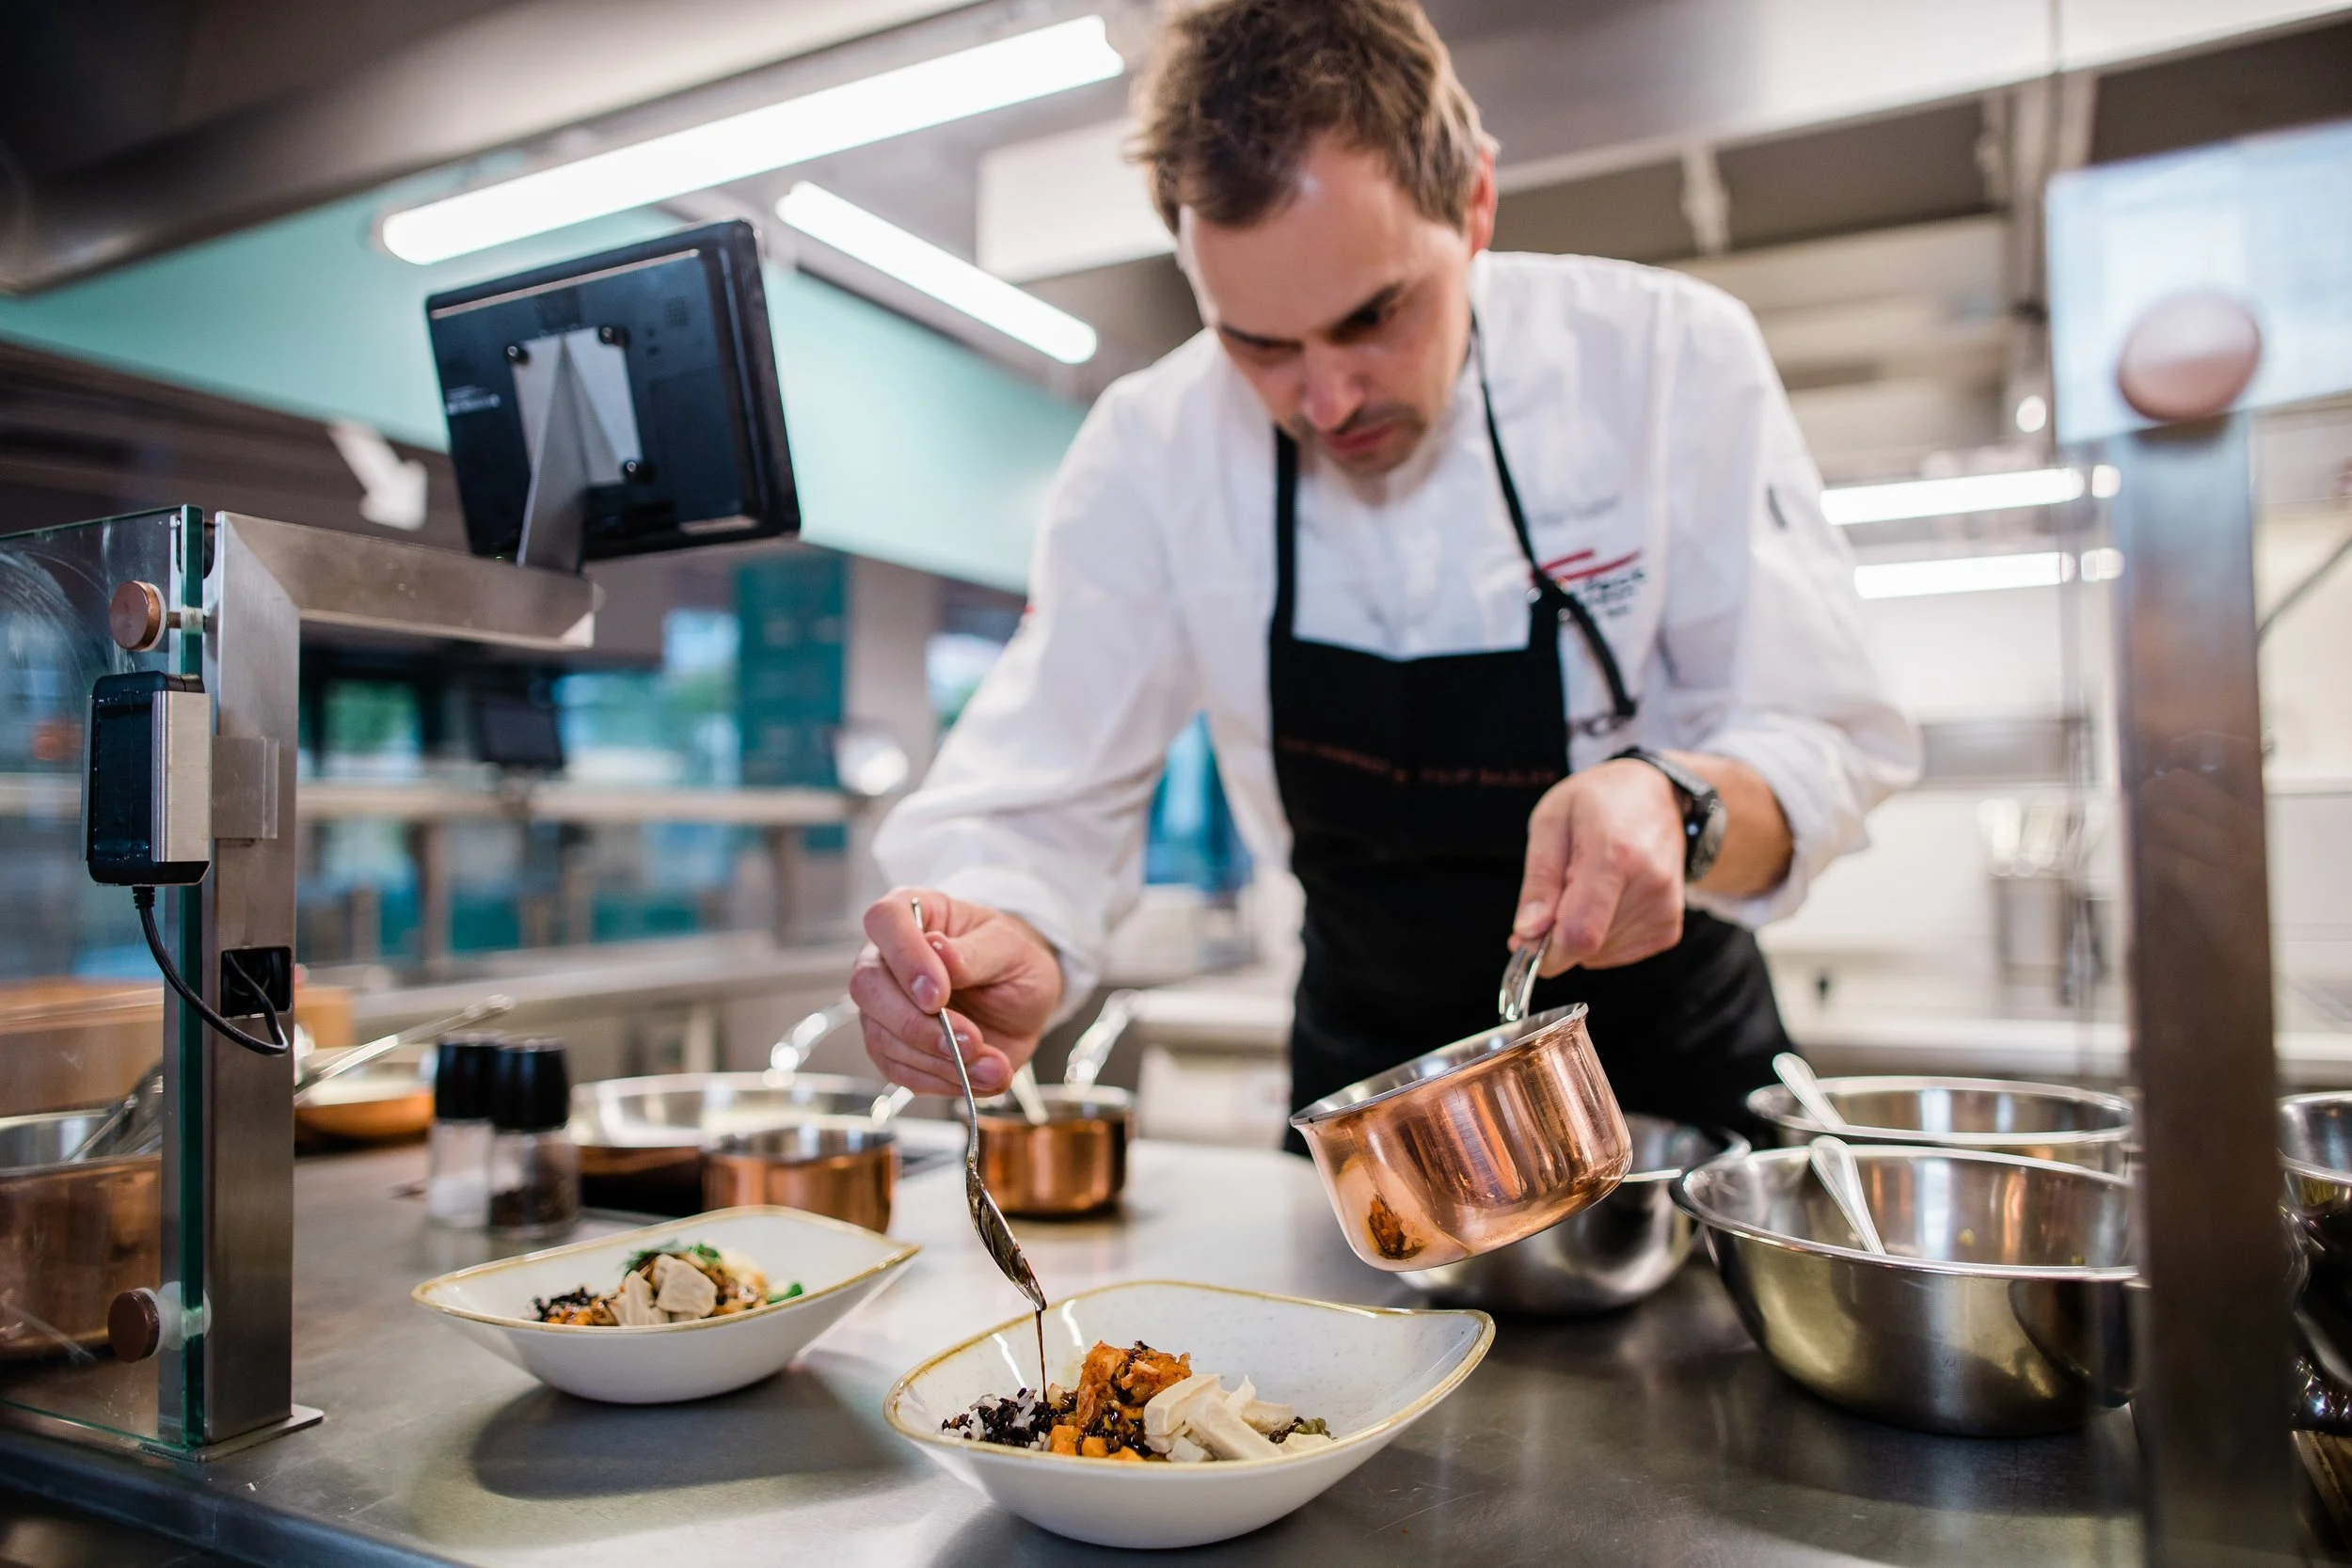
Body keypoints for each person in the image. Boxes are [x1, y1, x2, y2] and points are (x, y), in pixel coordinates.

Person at [849, 0, 1916, 1144]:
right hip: (1370, 1112)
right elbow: (1037, 790)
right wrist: (997, 931)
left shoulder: (1663, 359)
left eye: (1374, 316)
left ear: (1475, 203)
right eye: (1258, 344)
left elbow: (1824, 737)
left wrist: (1679, 801)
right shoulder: (1152, 447)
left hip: (1668, 1100)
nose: (1327, 400)